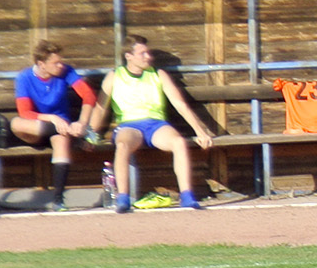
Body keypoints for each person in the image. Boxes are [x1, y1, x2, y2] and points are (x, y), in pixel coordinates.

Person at [91, 35, 214, 213]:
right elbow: (100, 108)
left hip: (156, 125)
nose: (148, 57)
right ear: (128, 56)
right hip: (129, 125)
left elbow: (179, 103)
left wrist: (199, 131)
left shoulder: (158, 74)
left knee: (179, 142)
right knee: (123, 145)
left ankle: (187, 195)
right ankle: (123, 198)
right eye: (142, 53)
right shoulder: (115, 76)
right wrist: (90, 135)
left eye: (148, 53)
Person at [12, 40, 97, 209]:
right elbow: (25, 112)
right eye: (55, 63)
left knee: (61, 140)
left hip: (61, 129)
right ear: (41, 64)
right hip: (37, 128)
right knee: (16, 123)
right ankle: (75, 136)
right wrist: (51, 118)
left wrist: (82, 122)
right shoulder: (24, 77)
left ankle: (58, 199)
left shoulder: (66, 71)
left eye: (61, 61)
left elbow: (89, 96)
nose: (60, 65)